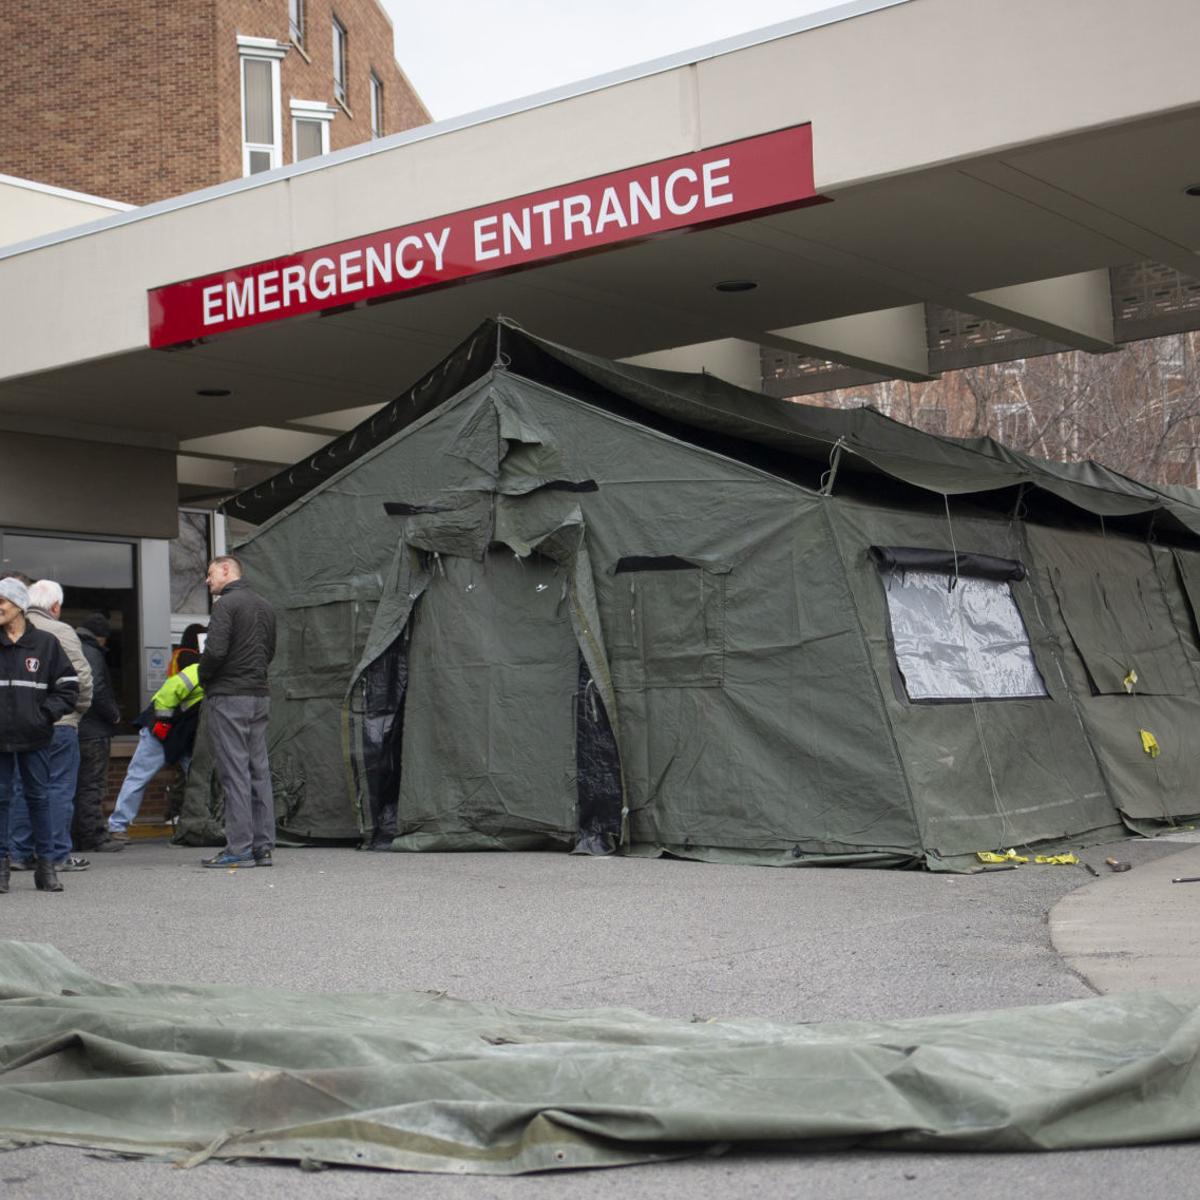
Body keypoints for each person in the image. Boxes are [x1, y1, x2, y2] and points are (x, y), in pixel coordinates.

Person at [0, 576, 80, 894]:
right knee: (1, 801)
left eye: (2, 601)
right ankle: (1, 869)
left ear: (19, 605)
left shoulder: (46, 644)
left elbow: (69, 687)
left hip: (36, 737)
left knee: (39, 799)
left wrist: (43, 716)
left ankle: (46, 868)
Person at [198, 555, 276, 869]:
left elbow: (215, 650)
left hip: (229, 695)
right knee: (258, 771)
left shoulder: (225, 606)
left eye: (210, 573)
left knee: (234, 773)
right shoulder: (265, 606)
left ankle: (239, 848)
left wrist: (204, 676)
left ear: (227, 569)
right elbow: (270, 651)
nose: (207, 580)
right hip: (259, 694)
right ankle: (262, 847)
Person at [107, 663, 204, 842]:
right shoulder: (197, 672)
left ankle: (201, 824)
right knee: (139, 777)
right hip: (162, 732)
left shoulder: (223, 679)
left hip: (184, 736)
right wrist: (163, 722)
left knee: (199, 781)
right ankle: (117, 826)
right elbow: (168, 693)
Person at [73, 613, 124, 853]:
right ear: (101, 637)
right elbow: (97, 688)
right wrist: (114, 714)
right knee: (92, 785)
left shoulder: (71, 646)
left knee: (74, 785)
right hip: (93, 730)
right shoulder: (92, 652)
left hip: (76, 728)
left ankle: (76, 835)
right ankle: (93, 836)